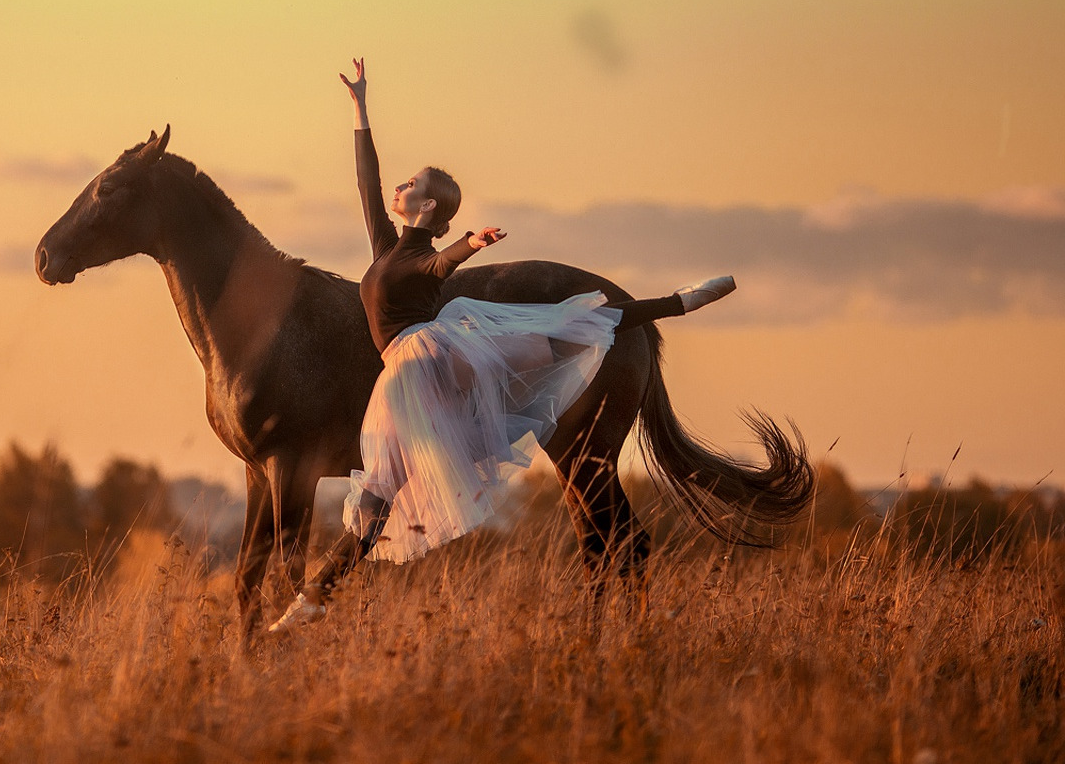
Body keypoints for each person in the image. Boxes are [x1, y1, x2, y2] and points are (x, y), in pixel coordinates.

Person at [268, 58, 735, 632]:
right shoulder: (387, 247)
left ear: (428, 207)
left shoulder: (419, 260)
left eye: (411, 185)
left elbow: (443, 262)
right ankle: (315, 597)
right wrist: (361, 109)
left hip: (431, 360)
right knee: (380, 494)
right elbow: (367, 181)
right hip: (412, 375)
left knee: (566, 329)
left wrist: (471, 242)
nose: (398, 187)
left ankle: (679, 303)